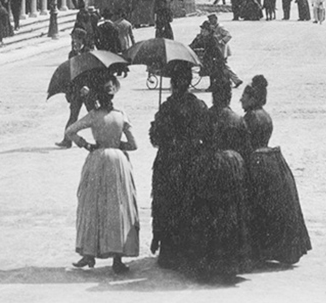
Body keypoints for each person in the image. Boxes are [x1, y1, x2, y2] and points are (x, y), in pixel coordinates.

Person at [63, 75, 140, 275]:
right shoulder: (121, 114)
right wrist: (118, 144)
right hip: (118, 161)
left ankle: (89, 253)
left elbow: (70, 130)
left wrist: (87, 145)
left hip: (97, 159)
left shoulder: (94, 115)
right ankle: (117, 258)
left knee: (92, 206)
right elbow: (134, 144)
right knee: (118, 207)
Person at [241, 75, 311, 265]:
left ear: (252, 98)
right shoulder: (265, 115)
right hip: (272, 161)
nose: (241, 100)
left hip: (255, 161)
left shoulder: (250, 117)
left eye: (244, 97)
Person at [187, 75, 252, 279]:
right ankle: (231, 262)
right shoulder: (237, 119)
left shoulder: (205, 116)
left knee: (208, 212)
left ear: (214, 95)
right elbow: (246, 148)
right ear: (229, 95)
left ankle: (207, 261)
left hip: (209, 165)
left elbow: (195, 139)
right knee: (231, 212)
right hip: (232, 166)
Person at [149, 61, 207, 269]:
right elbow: (205, 134)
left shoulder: (166, 107)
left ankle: (169, 251)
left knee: (167, 204)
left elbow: (155, 139)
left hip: (168, 161)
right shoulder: (199, 105)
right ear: (189, 83)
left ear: (173, 83)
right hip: (191, 160)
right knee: (190, 203)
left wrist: (157, 123)